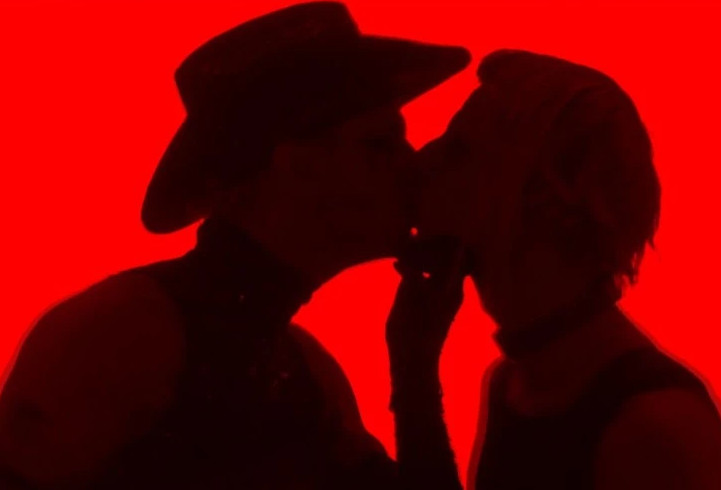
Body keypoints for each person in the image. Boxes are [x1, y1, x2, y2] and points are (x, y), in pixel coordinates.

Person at [0, 3, 470, 489]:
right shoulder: (122, 332)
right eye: (380, 144)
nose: (413, 166)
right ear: (295, 163)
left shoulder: (306, 371)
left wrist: (415, 369)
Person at [386, 50, 721, 490]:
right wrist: (413, 371)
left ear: (543, 196)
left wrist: (414, 377)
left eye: (460, 151)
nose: (423, 161)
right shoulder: (513, 383)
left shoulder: (655, 428)